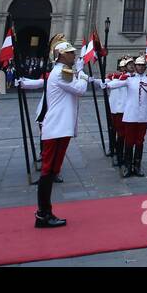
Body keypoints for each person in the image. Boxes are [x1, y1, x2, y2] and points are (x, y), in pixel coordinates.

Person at [20, 37, 99, 228]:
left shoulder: (62, 72)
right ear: (61, 55)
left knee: (52, 169)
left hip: (60, 128)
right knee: (48, 170)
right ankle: (42, 214)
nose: (74, 55)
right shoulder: (60, 73)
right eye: (71, 52)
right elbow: (80, 89)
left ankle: (45, 212)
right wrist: (80, 72)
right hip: (56, 127)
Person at [102, 52, 147, 177]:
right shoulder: (129, 79)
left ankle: (137, 166)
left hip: (143, 116)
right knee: (129, 141)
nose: (140, 67)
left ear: (146, 66)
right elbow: (117, 84)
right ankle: (127, 166)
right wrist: (106, 84)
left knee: (139, 142)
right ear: (135, 67)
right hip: (130, 115)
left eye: (143, 65)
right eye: (138, 65)